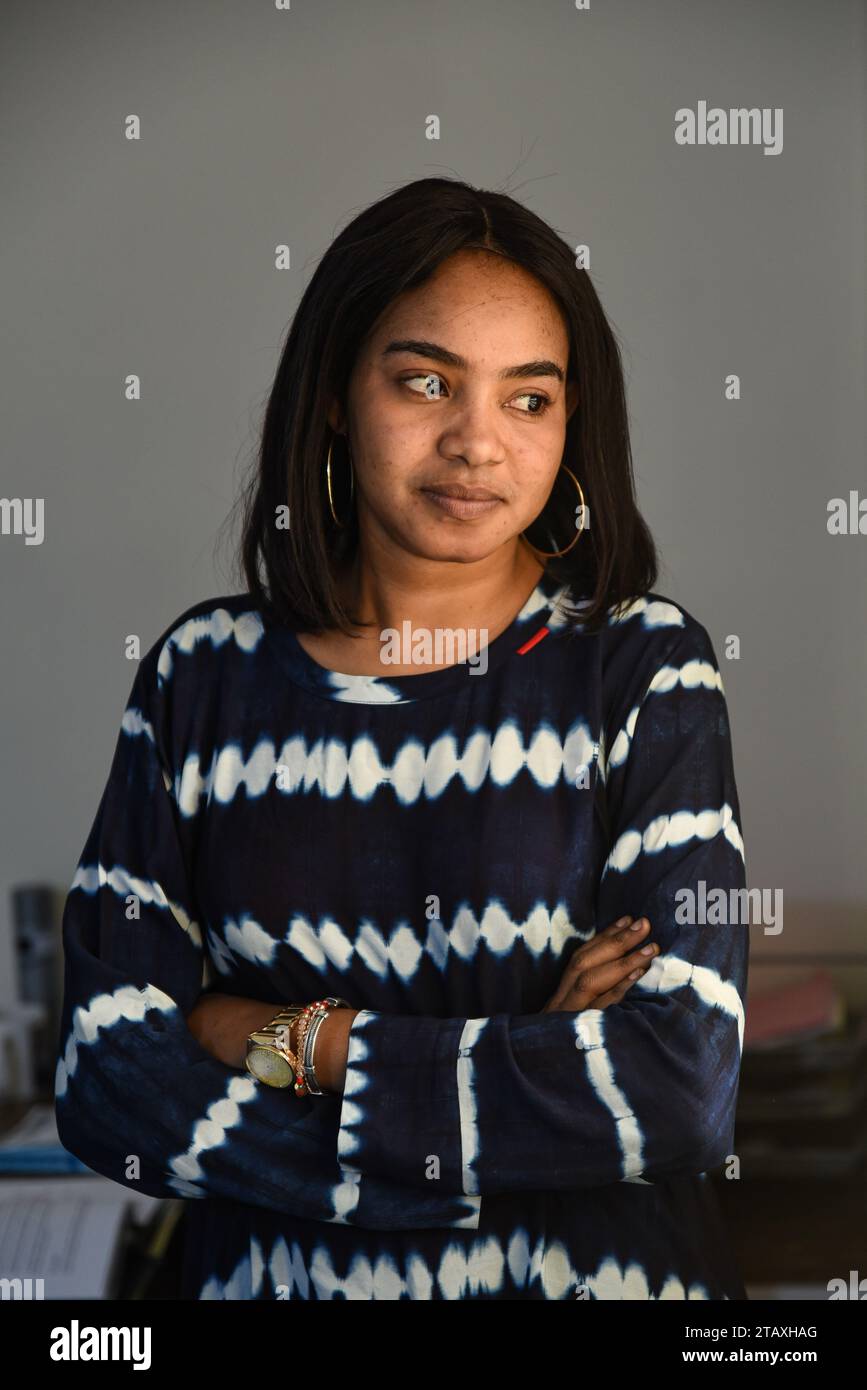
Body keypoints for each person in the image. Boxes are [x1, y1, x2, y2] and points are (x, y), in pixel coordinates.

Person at [55, 177, 749, 1300]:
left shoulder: (643, 669)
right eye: (426, 382)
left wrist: (289, 1037)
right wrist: (525, 1057)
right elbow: (110, 1084)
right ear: (335, 394)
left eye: (530, 399)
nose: (477, 443)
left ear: (573, 424)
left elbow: (670, 1092)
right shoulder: (203, 679)